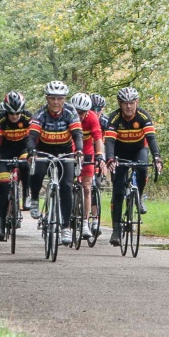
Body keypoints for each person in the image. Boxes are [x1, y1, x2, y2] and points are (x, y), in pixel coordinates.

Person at [25, 80, 84, 245]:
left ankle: (65, 228)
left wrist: (79, 150)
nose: (56, 102)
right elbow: (32, 137)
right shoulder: (40, 114)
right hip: (44, 150)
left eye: (59, 98)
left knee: (66, 186)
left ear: (64, 99)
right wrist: (31, 151)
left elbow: (78, 134)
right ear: (47, 99)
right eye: (52, 98)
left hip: (65, 152)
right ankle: (35, 198)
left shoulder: (70, 113)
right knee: (37, 171)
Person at [104, 86, 162, 246]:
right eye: (125, 103)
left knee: (143, 168)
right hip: (119, 152)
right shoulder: (114, 118)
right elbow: (109, 141)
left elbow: (151, 138)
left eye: (131, 103)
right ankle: (116, 230)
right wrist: (110, 158)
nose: (128, 106)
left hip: (138, 149)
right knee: (118, 191)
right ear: (119, 103)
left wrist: (157, 156)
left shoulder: (143, 116)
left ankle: (139, 197)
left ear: (137, 102)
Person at [0, 91, 32, 241]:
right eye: (11, 113)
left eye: (17, 112)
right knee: (3, 185)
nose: (14, 116)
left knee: (26, 165)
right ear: (6, 111)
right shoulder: (0, 120)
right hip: (4, 152)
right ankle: (0, 222)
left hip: (23, 149)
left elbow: (34, 137)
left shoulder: (28, 117)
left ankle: (26, 195)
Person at [70, 92, 105, 240]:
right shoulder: (68, 116)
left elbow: (98, 138)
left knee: (87, 187)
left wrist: (100, 156)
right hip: (70, 149)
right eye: (77, 112)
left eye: (83, 113)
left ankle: (85, 222)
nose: (80, 116)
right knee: (66, 183)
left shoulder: (92, 118)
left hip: (87, 150)